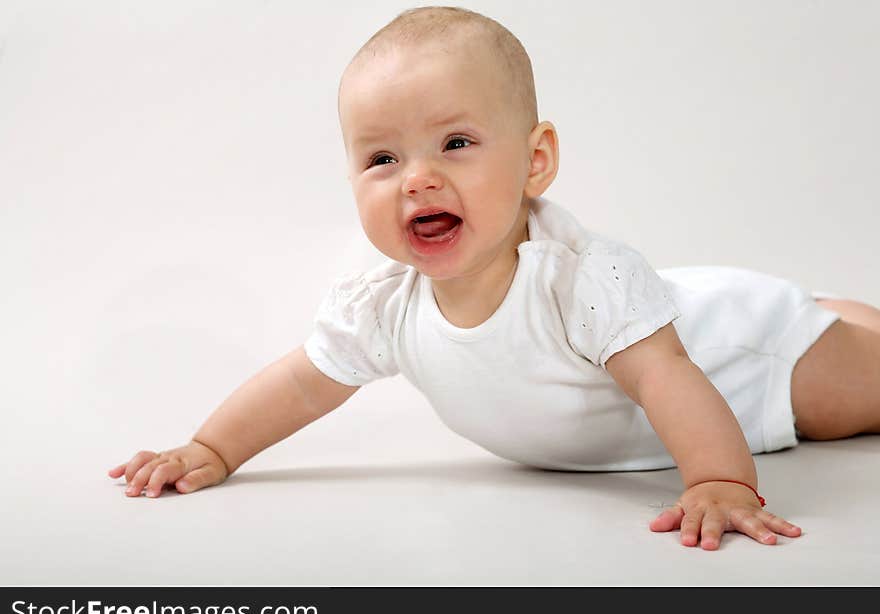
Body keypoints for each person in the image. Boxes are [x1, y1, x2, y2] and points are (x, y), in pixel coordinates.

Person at [108, 6, 880, 551]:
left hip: (751, 359)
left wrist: (720, 480)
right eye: (382, 157)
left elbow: (668, 375)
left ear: (534, 160)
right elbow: (304, 384)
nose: (417, 178)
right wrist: (211, 447)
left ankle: (831, 323)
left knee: (857, 386)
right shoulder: (382, 305)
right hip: (694, 307)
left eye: (456, 142)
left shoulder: (579, 279)